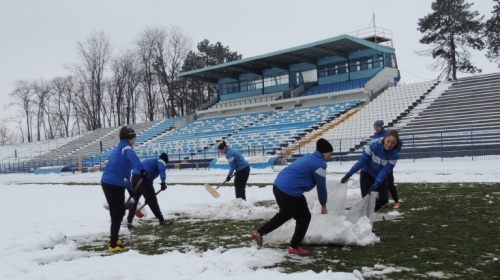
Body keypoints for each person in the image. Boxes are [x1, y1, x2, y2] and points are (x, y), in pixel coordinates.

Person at [250, 138, 333, 255]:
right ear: (324, 153)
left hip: (278, 185)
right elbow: (321, 185)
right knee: (304, 218)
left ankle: (259, 232)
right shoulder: (320, 164)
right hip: (290, 190)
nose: (331, 156)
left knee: (286, 213)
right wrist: (323, 204)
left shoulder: (309, 157)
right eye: (330, 154)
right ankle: (294, 247)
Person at [101, 126, 146, 253]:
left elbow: (124, 175)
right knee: (117, 214)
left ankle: (115, 239)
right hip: (112, 184)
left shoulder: (119, 149)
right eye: (134, 138)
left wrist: (130, 190)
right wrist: (141, 168)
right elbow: (132, 155)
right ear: (130, 138)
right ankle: (113, 245)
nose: (135, 140)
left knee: (120, 213)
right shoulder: (126, 148)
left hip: (114, 183)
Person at [341, 130, 401, 212]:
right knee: (366, 199)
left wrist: (375, 185)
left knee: (384, 200)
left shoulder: (395, 155)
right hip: (367, 173)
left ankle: (365, 213)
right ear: (385, 139)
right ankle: (364, 215)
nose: (389, 144)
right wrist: (348, 175)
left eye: (393, 143)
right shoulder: (373, 147)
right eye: (388, 141)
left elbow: (384, 171)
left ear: (396, 144)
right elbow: (361, 162)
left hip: (379, 176)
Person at [126, 152, 171, 227]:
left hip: (135, 176)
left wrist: (147, 196)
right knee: (152, 200)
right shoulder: (161, 161)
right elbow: (161, 170)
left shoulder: (151, 161)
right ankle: (161, 220)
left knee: (134, 199)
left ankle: (129, 222)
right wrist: (163, 182)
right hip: (143, 178)